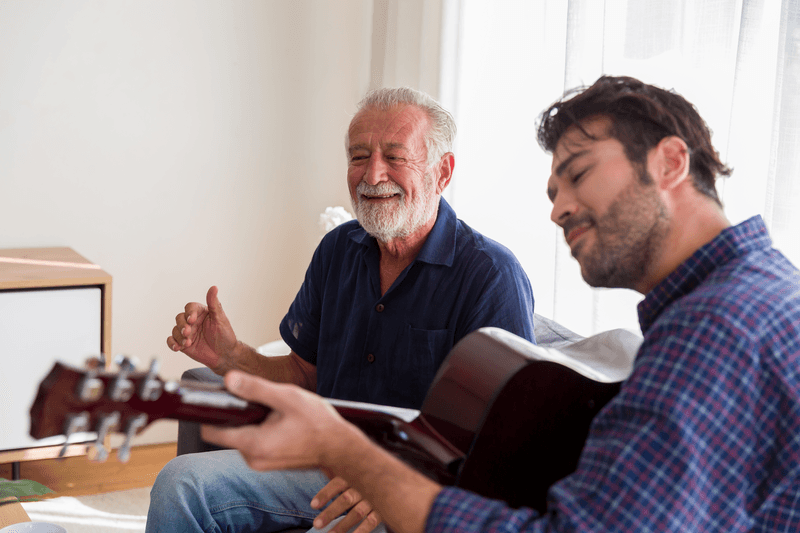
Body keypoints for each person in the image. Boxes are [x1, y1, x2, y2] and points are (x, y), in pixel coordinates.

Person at [202, 75, 800, 532]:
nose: (558, 209)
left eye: (580, 173)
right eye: (553, 189)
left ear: (670, 162)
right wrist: (233, 359)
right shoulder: (752, 295)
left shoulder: (715, 332)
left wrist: (350, 456)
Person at [145, 87, 536, 533]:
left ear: (441, 172)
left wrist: (397, 485)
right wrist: (231, 356)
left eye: (395, 156)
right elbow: (303, 375)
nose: (373, 174)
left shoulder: (490, 275)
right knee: (180, 483)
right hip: (324, 459)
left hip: (419, 485)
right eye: (358, 156)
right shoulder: (338, 249)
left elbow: (505, 441)